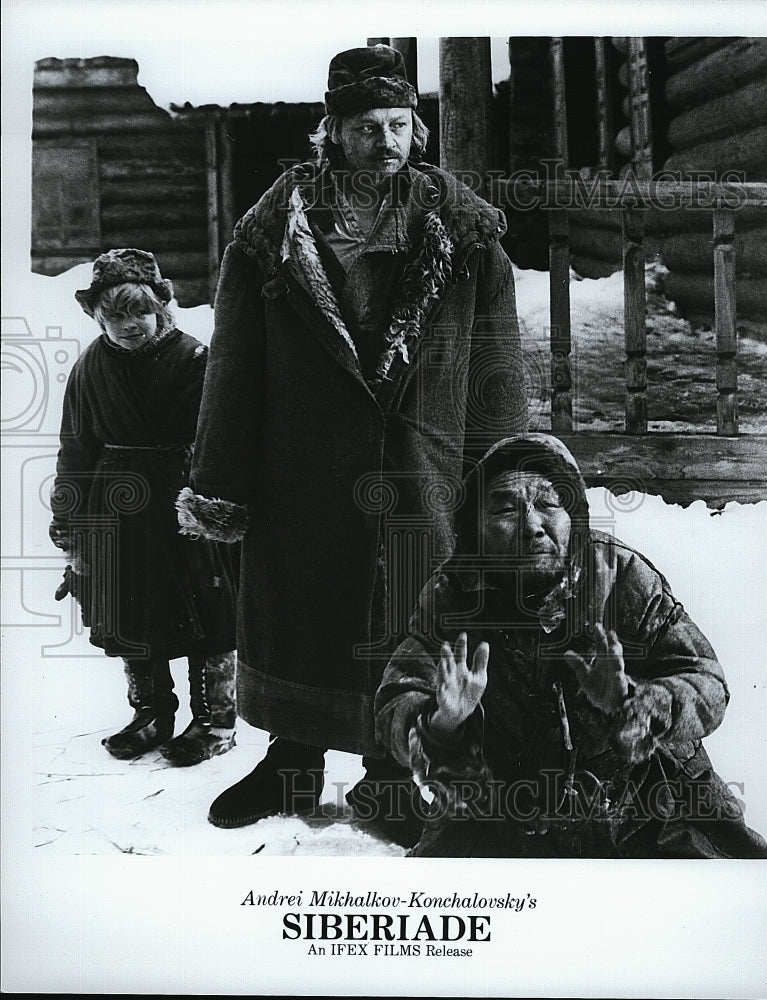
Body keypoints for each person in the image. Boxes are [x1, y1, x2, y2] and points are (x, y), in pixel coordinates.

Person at [176, 44, 528, 836]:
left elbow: (498, 365)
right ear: (330, 132)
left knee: (408, 612)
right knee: (303, 609)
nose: (386, 140)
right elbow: (232, 369)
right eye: (366, 126)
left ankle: (392, 776)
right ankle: (291, 765)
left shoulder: (463, 232)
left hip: (420, 464)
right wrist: (222, 481)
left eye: (401, 124)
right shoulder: (271, 234)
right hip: (301, 469)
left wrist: (502, 478)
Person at [375, 433, 767, 858]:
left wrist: (637, 704)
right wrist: (442, 719)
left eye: (548, 503)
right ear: (476, 529)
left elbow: (705, 680)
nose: (530, 525)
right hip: (502, 813)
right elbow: (396, 699)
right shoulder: (451, 594)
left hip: (648, 806)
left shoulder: (622, 574)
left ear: (573, 516)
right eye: (505, 509)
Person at [50, 248, 238, 767]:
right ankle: (151, 712)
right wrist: (68, 519)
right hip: (116, 507)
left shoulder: (197, 360)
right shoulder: (91, 367)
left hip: (184, 503)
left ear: (162, 307)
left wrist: (217, 506)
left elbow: (225, 438)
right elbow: (76, 446)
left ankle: (215, 720)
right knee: (130, 607)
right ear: (96, 316)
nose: (128, 325)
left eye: (140, 311)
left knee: (207, 607)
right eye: (114, 315)